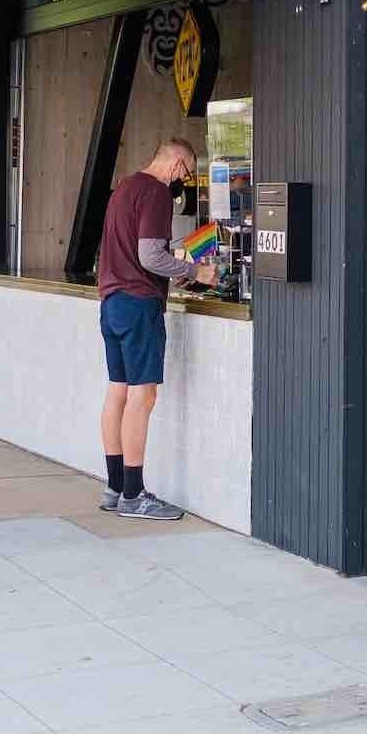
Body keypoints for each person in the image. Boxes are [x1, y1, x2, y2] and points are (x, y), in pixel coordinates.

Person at [97, 137, 218, 521]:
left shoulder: (124, 187)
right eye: (188, 173)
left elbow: (137, 254)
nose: (185, 181)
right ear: (177, 164)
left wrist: (174, 272)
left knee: (118, 392)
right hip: (138, 305)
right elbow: (150, 255)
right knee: (143, 397)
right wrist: (196, 271)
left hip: (112, 302)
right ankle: (134, 495)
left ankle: (115, 487)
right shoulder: (156, 192)